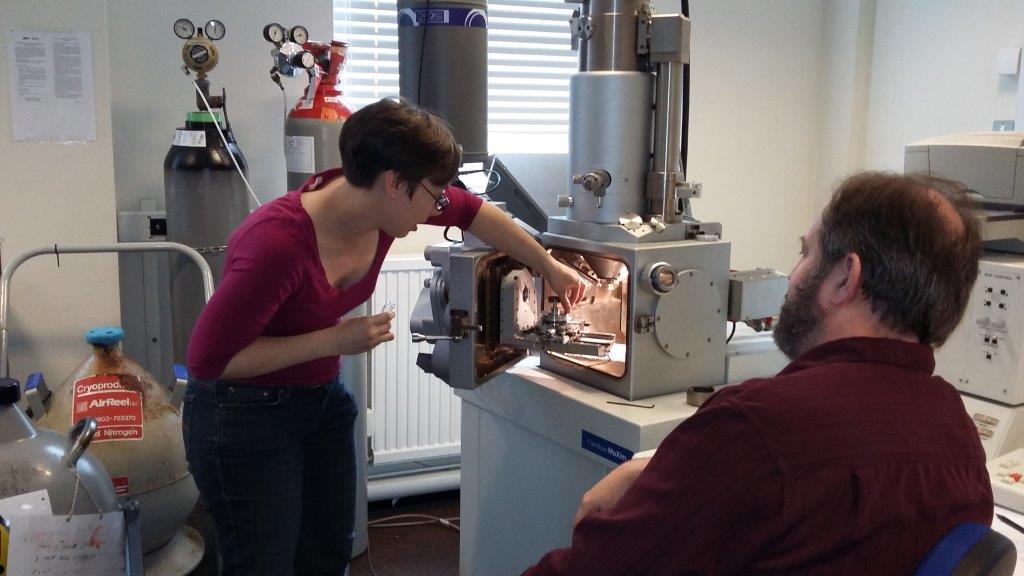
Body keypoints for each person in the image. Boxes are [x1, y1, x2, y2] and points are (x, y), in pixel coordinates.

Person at [182, 98, 585, 575]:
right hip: (243, 413)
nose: (438, 207)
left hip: (321, 401)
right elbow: (209, 362)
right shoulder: (276, 245)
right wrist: (333, 341)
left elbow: (475, 213)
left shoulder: (382, 207)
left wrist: (550, 265)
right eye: (433, 194)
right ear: (394, 183)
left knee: (328, 552)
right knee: (263, 563)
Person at [524, 172, 992, 575]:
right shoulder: (960, 439)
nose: (792, 276)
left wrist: (596, 518)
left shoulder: (755, 427)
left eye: (806, 253)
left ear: (845, 278)